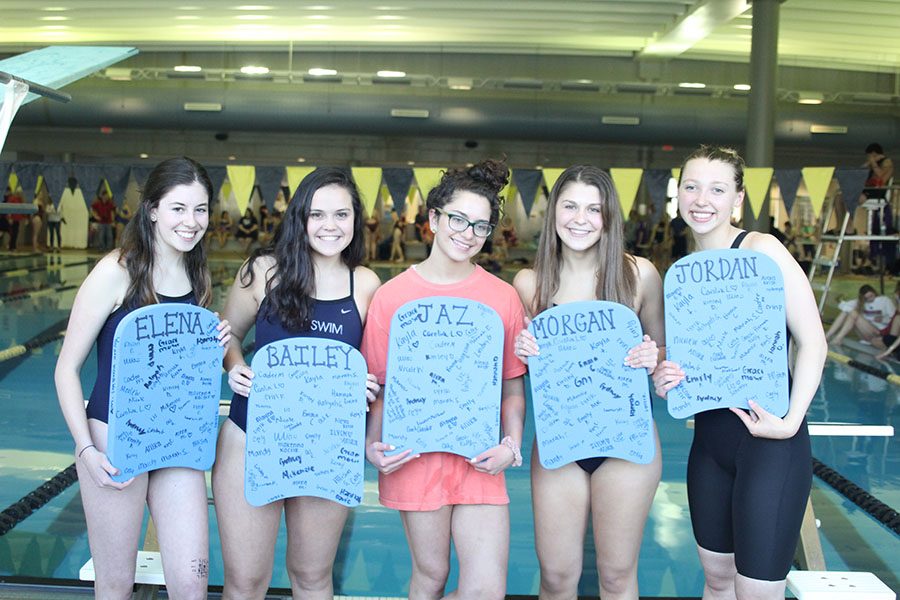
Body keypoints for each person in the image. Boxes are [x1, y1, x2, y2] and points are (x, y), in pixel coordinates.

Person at [652, 145, 827, 600]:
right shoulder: (685, 272)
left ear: (737, 199)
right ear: (679, 196)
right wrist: (665, 377)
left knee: (756, 594)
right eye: (691, 187)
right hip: (709, 446)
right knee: (716, 580)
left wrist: (789, 423)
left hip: (770, 446)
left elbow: (813, 341)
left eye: (716, 188)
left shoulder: (762, 250)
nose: (701, 199)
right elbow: (690, 365)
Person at [54, 157, 230, 600]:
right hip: (115, 441)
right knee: (115, 584)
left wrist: (216, 345)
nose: (191, 222)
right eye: (178, 208)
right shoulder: (117, 271)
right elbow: (66, 369)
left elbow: (177, 370)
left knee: (191, 583)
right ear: (151, 209)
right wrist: (86, 450)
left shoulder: (197, 274)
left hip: (176, 439)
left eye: (200, 209)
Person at [212, 168, 381, 600]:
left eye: (341, 214)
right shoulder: (264, 271)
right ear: (300, 218)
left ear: (355, 220)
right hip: (252, 438)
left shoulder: (363, 284)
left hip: (327, 445)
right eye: (318, 214)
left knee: (311, 576)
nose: (330, 226)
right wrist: (233, 366)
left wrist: (367, 385)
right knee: (246, 581)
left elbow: (378, 368)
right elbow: (226, 334)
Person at [362, 159, 526, 600]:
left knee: (486, 590)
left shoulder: (503, 297)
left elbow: (512, 385)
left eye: (480, 225)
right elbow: (378, 386)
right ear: (433, 218)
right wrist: (371, 445)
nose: (467, 233)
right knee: (431, 576)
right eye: (457, 219)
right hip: (413, 455)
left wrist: (511, 445)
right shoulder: (391, 297)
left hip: (479, 459)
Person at [511, 165, 663, 599]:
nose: (580, 219)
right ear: (553, 212)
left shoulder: (640, 275)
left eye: (593, 209)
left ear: (609, 217)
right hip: (561, 442)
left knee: (616, 577)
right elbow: (511, 375)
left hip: (627, 444)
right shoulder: (530, 284)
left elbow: (667, 357)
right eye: (570, 206)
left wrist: (655, 358)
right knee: (557, 578)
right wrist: (519, 352)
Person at [826, 284, 896, 348]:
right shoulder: (860, 302)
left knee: (853, 313)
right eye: (867, 298)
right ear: (863, 298)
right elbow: (843, 306)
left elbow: (894, 319)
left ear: (874, 292)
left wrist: (883, 319)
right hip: (865, 332)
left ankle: (838, 338)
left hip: (879, 332)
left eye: (871, 296)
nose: (870, 299)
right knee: (847, 312)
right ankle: (828, 336)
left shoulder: (885, 300)